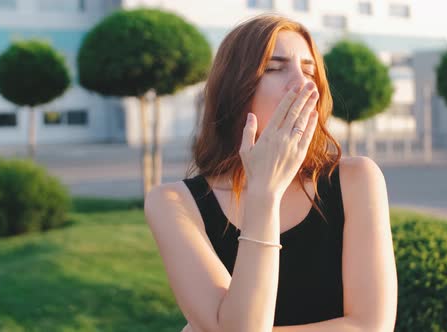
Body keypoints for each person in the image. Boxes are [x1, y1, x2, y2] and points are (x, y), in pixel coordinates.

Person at [144, 14, 398, 332]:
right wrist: (265, 191)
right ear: (234, 89)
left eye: (310, 70)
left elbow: (371, 327)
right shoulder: (173, 202)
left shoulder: (356, 180)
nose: (303, 84)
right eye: (275, 68)